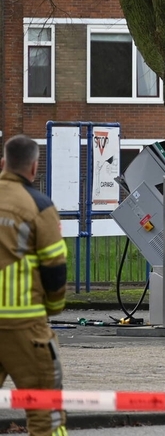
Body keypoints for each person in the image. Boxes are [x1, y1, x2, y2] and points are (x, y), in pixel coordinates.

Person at [0, 135, 68, 436]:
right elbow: (55, 266)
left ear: (3, 163)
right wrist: (53, 308)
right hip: (24, 325)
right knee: (46, 413)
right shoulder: (39, 206)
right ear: (34, 167)